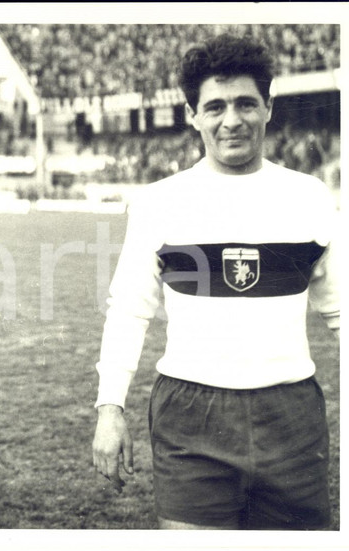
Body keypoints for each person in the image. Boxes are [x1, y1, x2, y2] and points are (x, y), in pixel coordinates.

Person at [92, 34, 340, 530]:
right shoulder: (160, 201)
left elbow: (341, 311)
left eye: (247, 103)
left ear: (269, 107)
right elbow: (130, 310)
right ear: (192, 114)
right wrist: (109, 408)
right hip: (191, 412)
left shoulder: (309, 197)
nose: (232, 120)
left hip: (288, 413)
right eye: (216, 106)